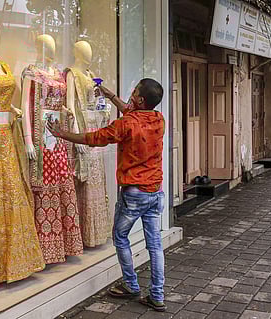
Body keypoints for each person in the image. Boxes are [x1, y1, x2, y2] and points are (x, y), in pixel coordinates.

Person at [47, 78, 166, 312]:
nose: (131, 94)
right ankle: (157, 295)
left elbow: (94, 139)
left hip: (133, 193)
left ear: (140, 99)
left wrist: (62, 133)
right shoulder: (158, 119)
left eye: (135, 91)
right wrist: (110, 96)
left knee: (120, 237)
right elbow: (132, 113)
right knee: (155, 244)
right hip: (155, 192)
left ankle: (131, 285)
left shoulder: (126, 124)